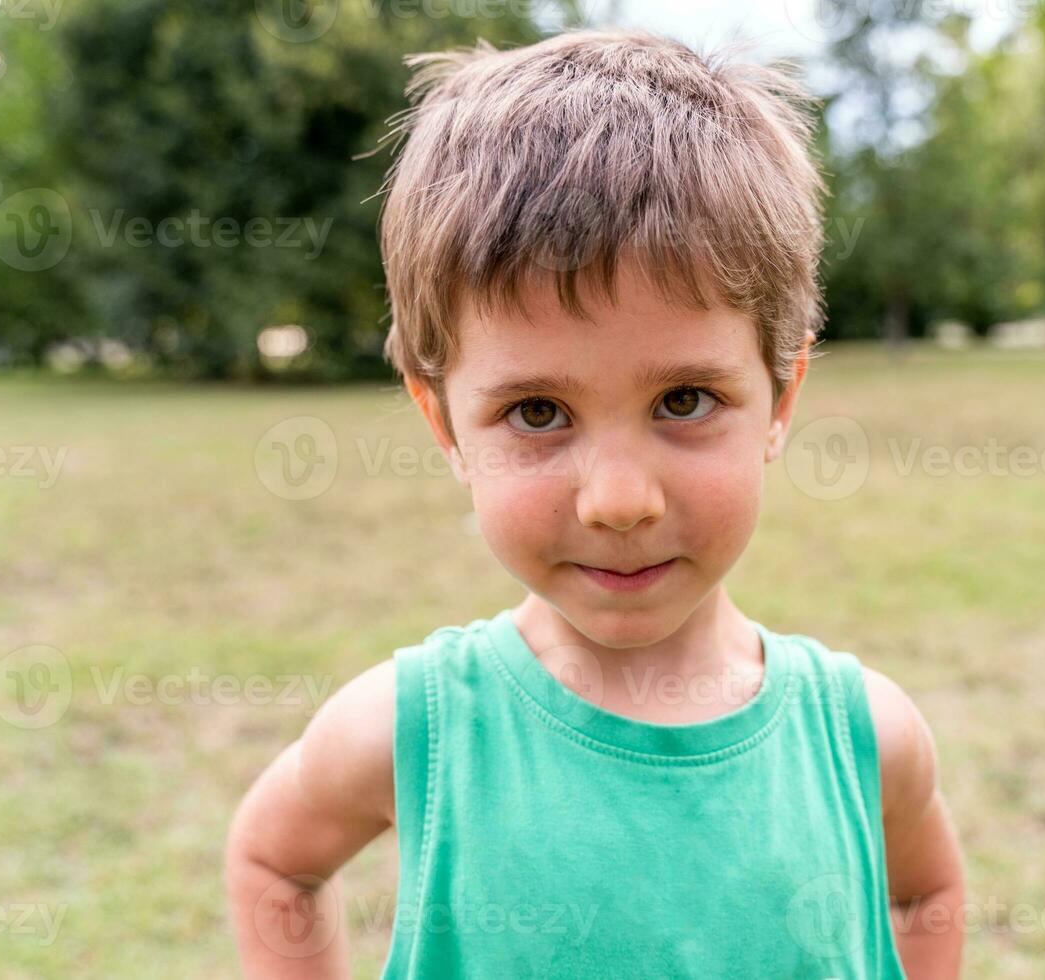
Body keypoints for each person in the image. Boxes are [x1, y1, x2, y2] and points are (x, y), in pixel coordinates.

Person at [226, 29, 964, 979]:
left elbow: (926, 892)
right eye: (538, 412)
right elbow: (273, 863)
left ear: (780, 399)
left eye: (685, 401)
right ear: (445, 424)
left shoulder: (864, 739)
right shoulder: (416, 734)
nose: (620, 501)